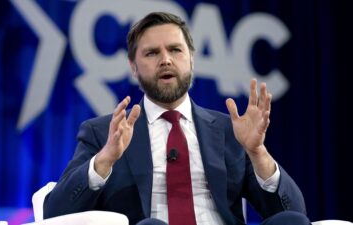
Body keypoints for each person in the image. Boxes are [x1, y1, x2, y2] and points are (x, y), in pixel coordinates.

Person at [43, 12, 310, 225]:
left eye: (175, 50)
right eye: (152, 53)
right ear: (133, 68)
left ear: (192, 60)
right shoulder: (103, 134)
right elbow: (56, 213)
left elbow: (294, 212)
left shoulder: (231, 130)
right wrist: (104, 160)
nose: (166, 60)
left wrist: (258, 152)